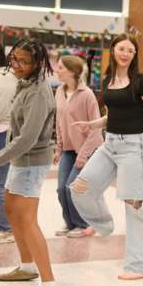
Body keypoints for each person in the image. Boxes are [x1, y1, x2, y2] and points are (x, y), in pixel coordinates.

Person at [70, 34, 143, 281]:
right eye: (122, 48)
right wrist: (92, 125)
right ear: (114, 50)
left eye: (131, 50)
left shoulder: (142, 81)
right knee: (80, 188)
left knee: (135, 205)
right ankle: (104, 224)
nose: (126, 53)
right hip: (110, 144)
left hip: (134, 147)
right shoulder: (109, 79)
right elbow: (112, 115)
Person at [0, 39, 60, 286]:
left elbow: (29, 137)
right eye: (14, 59)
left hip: (32, 161)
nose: (17, 65)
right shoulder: (24, 84)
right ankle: (27, 267)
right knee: (11, 208)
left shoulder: (38, 91)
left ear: (37, 64)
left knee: (27, 219)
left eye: (24, 61)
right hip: (21, 160)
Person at [53, 55, 102, 238]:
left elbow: (96, 129)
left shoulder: (87, 95)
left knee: (71, 187)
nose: (57, 70)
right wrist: (58, 148)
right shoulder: (59, 91)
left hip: (87, 150)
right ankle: (70, 223)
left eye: (60, 68)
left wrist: (83, 157)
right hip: (68, 149)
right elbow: (59, 122)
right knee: (60, 189)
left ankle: (82, 224)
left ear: (72, 72)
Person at [0, 45, 17, 244]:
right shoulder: (9, 75)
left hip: (2, 134)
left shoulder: (2, 77)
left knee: (0, 184)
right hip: (7, 132)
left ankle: (6, 228)